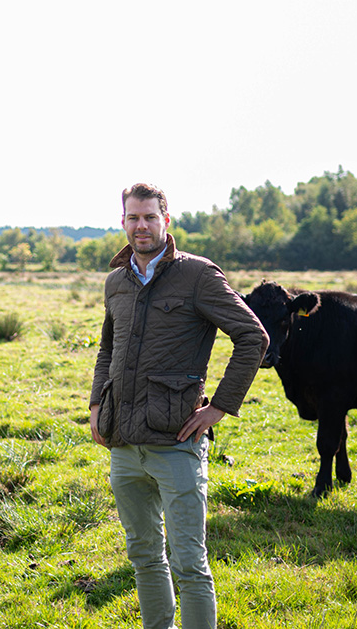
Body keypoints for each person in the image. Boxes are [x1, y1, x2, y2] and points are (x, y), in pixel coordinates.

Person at [89, 183, 268, 629]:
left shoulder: (198, 275)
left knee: (189, 562)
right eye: (133, 217)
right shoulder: (116, 282)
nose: (141, 226)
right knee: (144, 555)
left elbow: (253, 337)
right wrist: (96, 405)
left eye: (150, 217)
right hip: (123, 442)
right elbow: (107, 349)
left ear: (166, 221)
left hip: (176, 442)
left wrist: (219, 407)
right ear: (122, 221)